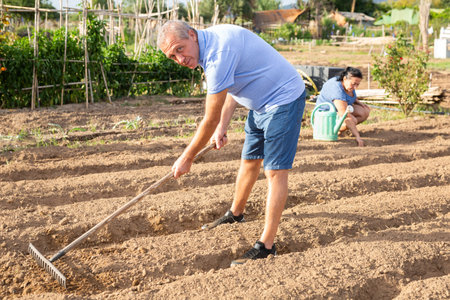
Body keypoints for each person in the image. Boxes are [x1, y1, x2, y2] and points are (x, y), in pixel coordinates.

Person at [157, 20, 306, 267]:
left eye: (179, 49)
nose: (179, 59)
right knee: (249, 161)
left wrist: (188, 156)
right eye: (172, 56)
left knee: (275, 172)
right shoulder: (207, 47)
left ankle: (267, 246)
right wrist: (222, 127)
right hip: (259, 104)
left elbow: (209, 117)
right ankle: (236, 214)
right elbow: (230, 89)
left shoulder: (218, 52)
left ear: (192, 35)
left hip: (284, 99)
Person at [315, 67, 370, 147]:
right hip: (326, 116)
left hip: (338, 110)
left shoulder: (348, 84)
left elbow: (350, 96)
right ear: (345, 79)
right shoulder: (336, 90)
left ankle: (345, 126)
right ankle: (333, 131)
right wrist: (358, 137)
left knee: (364, 111)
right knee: (351, 120)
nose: (355, 87)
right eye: (354, 84)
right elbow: (345, 115)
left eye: (357, 84)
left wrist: (359, 103)